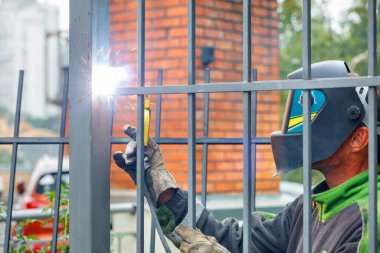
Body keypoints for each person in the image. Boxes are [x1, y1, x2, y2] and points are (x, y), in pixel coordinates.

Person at [114, 60, 380, 253]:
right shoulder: (309, 206)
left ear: (358, 139)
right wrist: (159, 185)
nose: (298, 126)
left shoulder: (371, 218)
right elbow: (235, 243)